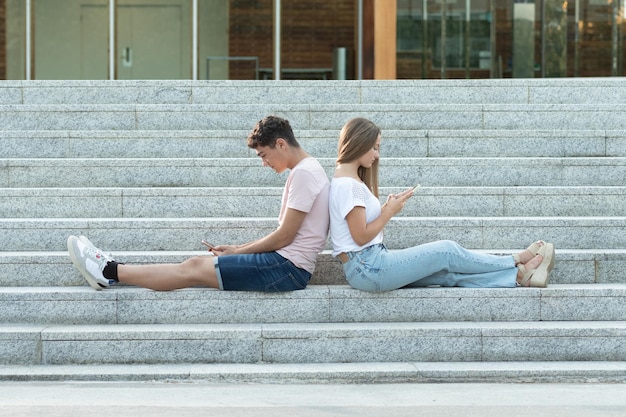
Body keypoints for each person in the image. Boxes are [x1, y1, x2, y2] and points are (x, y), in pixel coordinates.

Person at [68, 115, 330, 292]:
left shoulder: (305, 173)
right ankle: (112, 269)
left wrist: (239, 253)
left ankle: (108, 271)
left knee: (192, 268)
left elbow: (285, 236)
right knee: (193, 265)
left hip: (286, 269)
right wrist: (239, 248)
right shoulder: (308, 169)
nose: (264, 163)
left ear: (281, 144)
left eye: (264, 155)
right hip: (283, 264)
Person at [328, 117, 555, 292]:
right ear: (359, 143)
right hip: (369, 267)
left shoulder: (347, 181)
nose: (377, 155)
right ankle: (514, 260)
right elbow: (360, 236)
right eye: (374, 147)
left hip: (366, 267)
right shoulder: (349, 185)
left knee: (446, 273)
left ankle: (517, 277)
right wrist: (389, 212)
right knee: (447, 251)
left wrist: (387, 208)